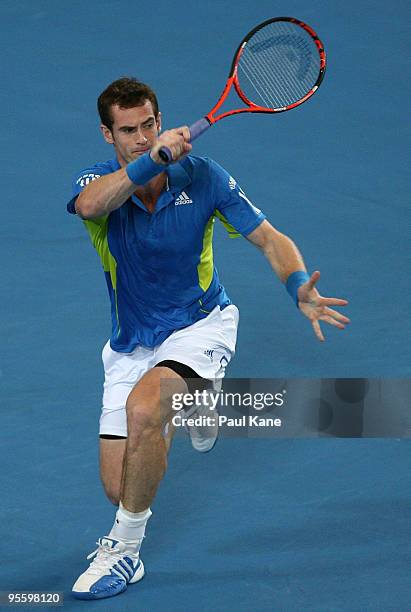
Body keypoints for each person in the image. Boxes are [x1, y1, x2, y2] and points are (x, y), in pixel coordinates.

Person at [67, 77, 349, 600]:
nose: (141, 136)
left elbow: (270, 238)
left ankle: (125, 553)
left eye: (149, 125)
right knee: (123, 486)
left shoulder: (204, 177)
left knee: (147, 409)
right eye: (127, 130)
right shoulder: (97, 180)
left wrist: (297, 287)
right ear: (108, 135)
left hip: (200, 323)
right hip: (132, 341)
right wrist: (151, 162)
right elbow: (91, 207)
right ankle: (199, 401)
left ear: (159, 120)